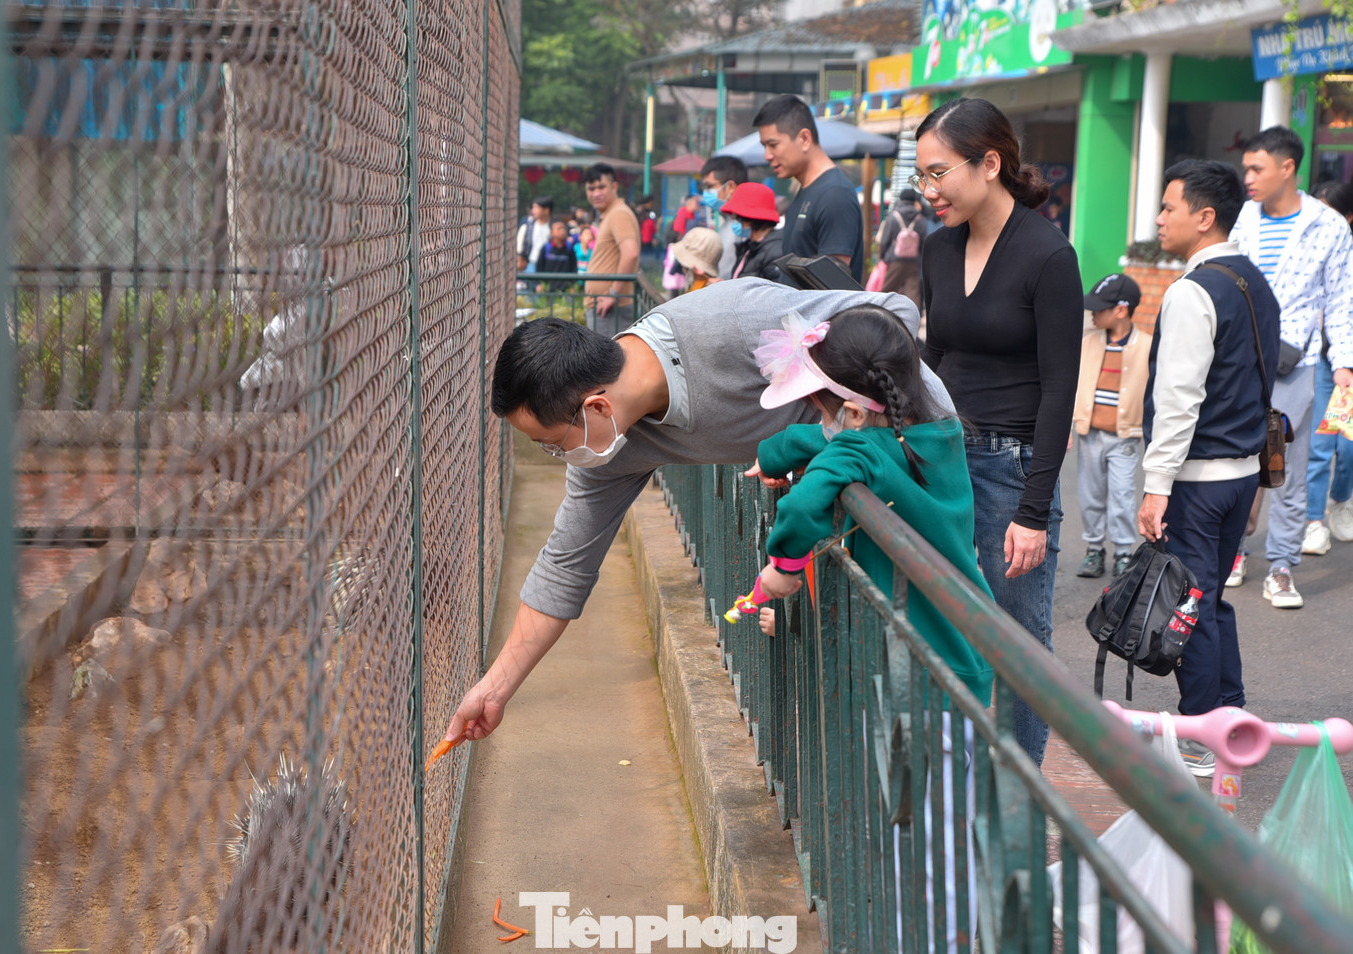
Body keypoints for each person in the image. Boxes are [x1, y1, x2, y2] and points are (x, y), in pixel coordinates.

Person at [444, 280, 956, 745]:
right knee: (883, 684)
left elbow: (896, 311)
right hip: (845, 499)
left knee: (943, 658)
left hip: (920, 464)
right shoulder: (610, 451)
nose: (558, 458)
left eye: (553, 445)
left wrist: (835, 438)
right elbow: (564, 565)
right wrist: (495, 688)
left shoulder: (728, 321)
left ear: (596, 408)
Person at [746, 307, 990, 949]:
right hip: (960, 654)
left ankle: (935, 938)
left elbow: (803, 505)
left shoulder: (860, 452)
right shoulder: (933, 436)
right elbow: (818, 446)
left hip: (922, 670)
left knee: (926, 840)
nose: (818, 422)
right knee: (942, 817)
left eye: (823, 409)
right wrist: (776, 451)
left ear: (853, 414)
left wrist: (784, 569)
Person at [916, 97, 1083, 768]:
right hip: (943, 460)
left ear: (990, 164)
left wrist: (1033, 512)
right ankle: (954, 789)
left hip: (1012, 471)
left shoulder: (1048, 255)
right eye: (920, 179)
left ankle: (1016, 802)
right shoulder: (936, 248)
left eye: (938, 174)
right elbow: (935, 359)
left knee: (1017, 645)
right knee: (945, 631)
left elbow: (1058, 391)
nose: (929, 192)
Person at [1138, 159, 1280, 775]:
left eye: (1169, 207)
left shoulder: (1193, 290)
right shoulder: (1254, 281)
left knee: (1187, 607)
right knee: (1210, 598)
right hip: (1242, 471)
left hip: (1198, 479)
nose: (1160, 218)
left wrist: (1155, 487)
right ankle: (1230, 710)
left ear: (1204, 216)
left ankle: (1201, 736)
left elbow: (1178, 400)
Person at [1228, 127, 1353, 608]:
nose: (1249, 178)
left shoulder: (1329, 226)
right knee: (1234, 461)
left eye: (1257, 168)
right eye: (1246, 169)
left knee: (1284, 465)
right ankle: (1233, 551)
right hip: (1237, 360)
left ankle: (1280, 566)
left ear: (1287, 167)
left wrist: (1343, 364)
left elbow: (1342, 301)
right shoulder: (1242, 220)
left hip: (1293, 364)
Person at [1073, 273, 1151, 579]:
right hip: (1089, 433)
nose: (1092, 313)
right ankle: (1094, 549)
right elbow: (1072, 386)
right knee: (1090, 494)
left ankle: (1122, 551)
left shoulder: (1146, 345)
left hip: (1125, 436)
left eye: (1099, 307)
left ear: (1120, 309)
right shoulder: (1088, 342)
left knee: (1121, 495)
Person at [753, 94, 864, 283]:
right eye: (764, 146)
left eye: (773, 145)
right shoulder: (807, 191)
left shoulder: (834, 194)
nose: (767, 156)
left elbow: (834, 285)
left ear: (804, 138)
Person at [1305, 180, 1353, 546]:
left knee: (1349, 445)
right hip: (1327, 361)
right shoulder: (1312, 251)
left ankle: (1341, 500)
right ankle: (1313, 521)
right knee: (1321, 445)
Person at [583, 162, 641, 336]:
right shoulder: (611, 213)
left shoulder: (618, 214)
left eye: (601, 187)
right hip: (605, 308)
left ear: (614, 186)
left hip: (610, 309)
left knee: (608, 362)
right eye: (591, 189)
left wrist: (612, 294)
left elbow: (631, 253)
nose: (596, 193)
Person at [876, 188, 930, 309]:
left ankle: (882, 313)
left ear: (900, 199)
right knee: (913, 292)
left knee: (888, 290)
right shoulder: (920, 219)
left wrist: (883, 256)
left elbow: (885, 240)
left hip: (895, 259)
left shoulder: (893, 217)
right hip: (913, 261)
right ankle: (912, 319)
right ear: (914, 201)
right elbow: (924, 241)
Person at [698, 156, 750, 279]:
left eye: (710, 186)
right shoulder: (728, 221)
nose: (706, 193)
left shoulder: (743, 227)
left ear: (730, 187)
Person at [721, 182, 784, 282]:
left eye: (739, 218)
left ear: (750, 219)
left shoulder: (774, 251)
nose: (738, 221)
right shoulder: (751, 247)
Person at [669, 226, 722, 293]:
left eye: (684, 264)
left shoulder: (696, 293)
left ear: (697, 269)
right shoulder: (717, 289)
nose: (683, 268)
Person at [534, 219, 578, 291]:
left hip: (565, 289)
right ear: (552, 233)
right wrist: (539, 284)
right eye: (559, 229)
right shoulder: (546, 248)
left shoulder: (569, 248)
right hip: (548, 288)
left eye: (563, 228)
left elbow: (574, 267)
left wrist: (572, 285)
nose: (562, 231)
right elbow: (539, 267)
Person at [516, 196, 553, 273]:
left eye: (536, 208)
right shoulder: (527, 226)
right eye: (533, 208)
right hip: (531, 265)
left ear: (546, 210)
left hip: (549, 265)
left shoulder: (554, 227)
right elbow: (520, 247)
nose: (533, 211)